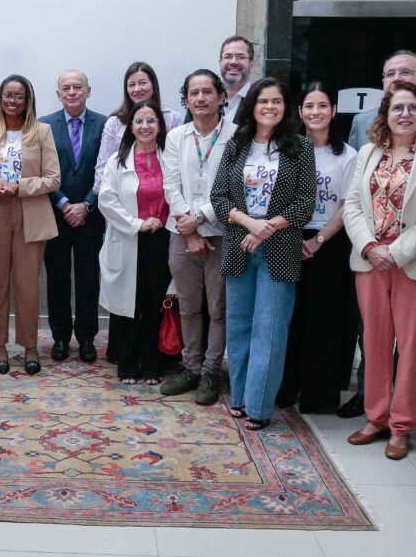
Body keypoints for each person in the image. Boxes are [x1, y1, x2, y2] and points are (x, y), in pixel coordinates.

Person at [338, 48, 416, 419]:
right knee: (374, 344)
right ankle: (376, 417)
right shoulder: (368, 152)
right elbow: (353, 205)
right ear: (385, 113)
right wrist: (368, 246)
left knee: (411, 349)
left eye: (412, 108)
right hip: (370, 262)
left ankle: (402, 424)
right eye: (397, 108)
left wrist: (397, 251)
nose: (405, 114)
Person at [210, 79, 316, 431]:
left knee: (269, 330)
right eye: (263, 101)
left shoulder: (300, 147)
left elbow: (304, 203)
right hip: (239, 246)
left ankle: (259, 405)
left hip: (280, 250)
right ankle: (239, 398)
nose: (270, 107)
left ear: (286, 107)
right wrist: (248, 223)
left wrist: (266, 227)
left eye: (277, 101)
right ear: (252, 106)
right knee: (239, 327)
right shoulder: (236, 145)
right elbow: (219, 197)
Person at [0, 74, 61, 376]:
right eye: (7, 95)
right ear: (0, 98)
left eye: (18, 96)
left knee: (27, 285)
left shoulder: (42, 132)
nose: (12, 101)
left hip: (30, 215)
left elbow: (53, 179)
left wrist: (19, 186)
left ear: (27, 100)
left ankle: (30, 345)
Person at [275, 82, 359, 414]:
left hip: (331, 243)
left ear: (334, 111)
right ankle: (285, 388)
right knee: (290, 318)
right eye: (309, 106)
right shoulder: (288, 150)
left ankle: (318, 394)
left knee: (323, 321)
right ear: (299, 112)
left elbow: (349, 205)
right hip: (289, 237)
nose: (315, 112)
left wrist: (319, 239)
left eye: (322, 106)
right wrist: (296, 238)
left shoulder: (348, 156)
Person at [159, 70, 237, 402]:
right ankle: (190, 367)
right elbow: (170, 183)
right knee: (188, 306)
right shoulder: (177, 135)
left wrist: (200, 218)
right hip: (181, 233)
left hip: (221, 232)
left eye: (208, 92)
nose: (201, 98)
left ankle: (210, 372)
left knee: (218, 308)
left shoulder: (237, 135)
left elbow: (233, 187)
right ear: (186, 100)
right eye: (194, 93)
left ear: (221, 97)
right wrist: (188, 227)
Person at [98, 101, 172, 384]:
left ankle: (151, 365)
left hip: (162, 240)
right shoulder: (118, 162)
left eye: (151, 121)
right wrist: (138, 223)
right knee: (128, 304)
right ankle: (127, 364)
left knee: (154, 304)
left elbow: (177, 194)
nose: (145, 126)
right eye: (139, 121)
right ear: (131, 127)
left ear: (159, 126)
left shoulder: (170, 159)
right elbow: (107, 200)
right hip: (130, 238)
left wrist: (161, 222)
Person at [41, 70, 108, 363]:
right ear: (58, 94)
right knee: (57, 279)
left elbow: (108, 170)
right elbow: (39, 170)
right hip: (55, 215)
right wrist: (64, 203)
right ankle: (59, 337)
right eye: (65, 88)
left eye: (77, 87)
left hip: (90, 217)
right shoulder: (44, 125)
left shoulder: (106, 125)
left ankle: (86, 338)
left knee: (88, 279)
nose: (71, 92)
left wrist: (87, 205)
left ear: (88, 91)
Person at [94, 62, 184, 187]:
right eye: (131, 85)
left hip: (165, 194)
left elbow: (180, 164)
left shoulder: (172, 118)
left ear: (153, 85)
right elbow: (102, 167)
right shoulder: (115, 122)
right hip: (123, 196)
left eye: (142, 83)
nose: (137, 89)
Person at [219, 36, 257, 125]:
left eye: (240, 57)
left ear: (252, 64)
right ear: (220, 63)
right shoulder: (204, 98)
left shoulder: (259, 100)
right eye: (228, 57)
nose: (233, 62)